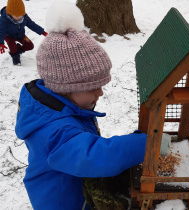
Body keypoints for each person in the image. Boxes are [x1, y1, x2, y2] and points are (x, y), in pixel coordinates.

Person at [15, 1, 147, 210]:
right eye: (93, 88)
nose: (100, 92)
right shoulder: (55, 131)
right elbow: (95, 156)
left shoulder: (64, 106)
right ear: (66, 87)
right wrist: (145, 145)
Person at [0, 0, 47, 65]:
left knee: (30, 46)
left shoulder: (24, 17)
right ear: (10, 14)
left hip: (20, 34)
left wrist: (42, 32)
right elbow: (1, 31)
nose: (19, 17)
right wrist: (1, 43)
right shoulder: (4, 19)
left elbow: (32, 25)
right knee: (13, 49)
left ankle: (18, 50)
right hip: (9, 36)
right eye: (16, 16)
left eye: (21, 15)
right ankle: (15, 56)